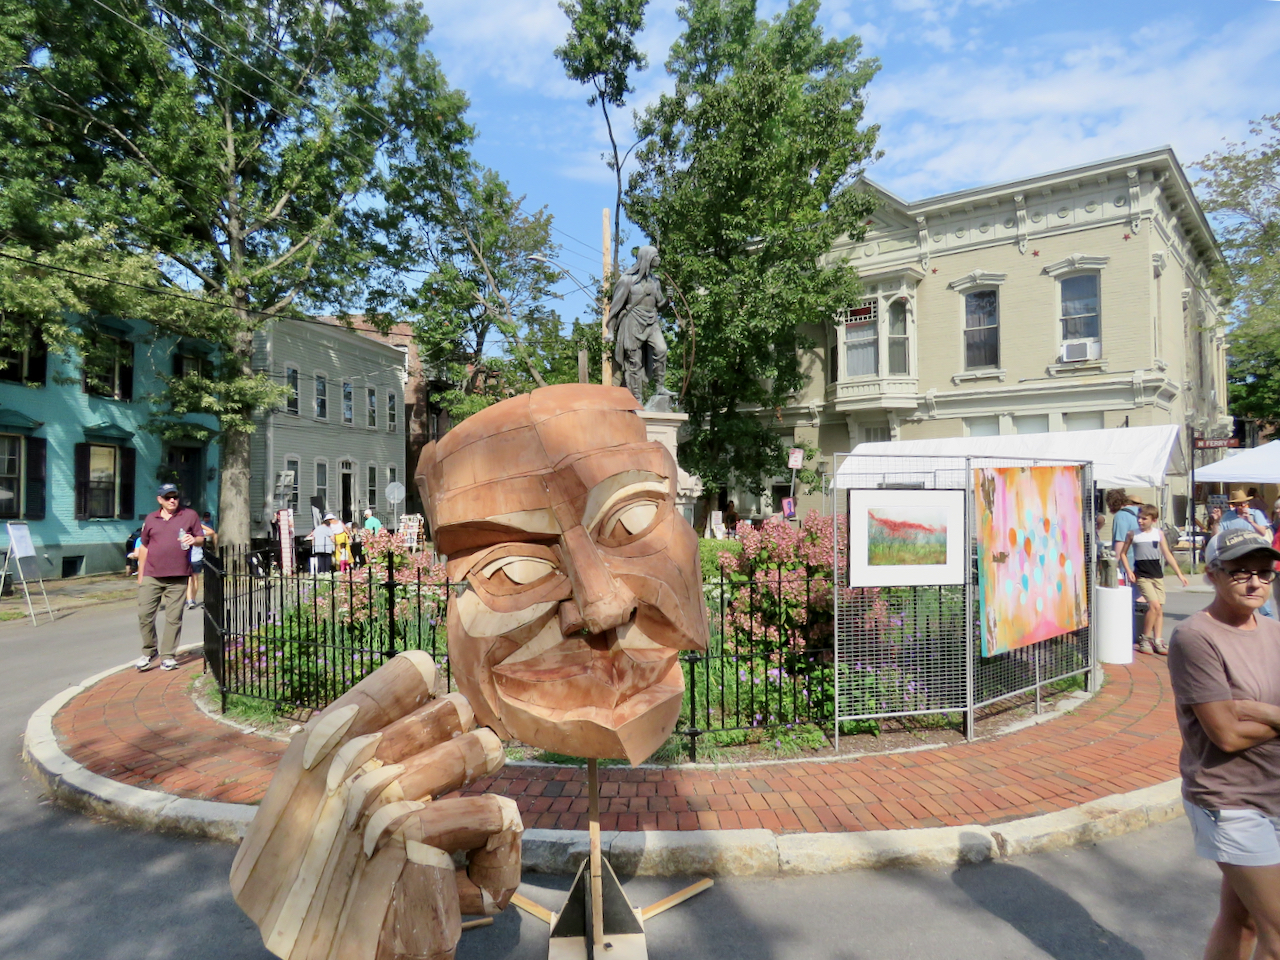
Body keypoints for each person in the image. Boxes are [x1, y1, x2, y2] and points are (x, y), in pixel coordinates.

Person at [1168, 529, 1280, 960]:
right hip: (1230, 800)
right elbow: (1227, 734)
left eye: (1264, 572)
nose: (1255, 583)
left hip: (1273, 790)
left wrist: (1257, 711)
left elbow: (1240, 720)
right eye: (1240, 572)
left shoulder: (1274, 632)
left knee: (1244, 919)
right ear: (1212, 574)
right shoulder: (1196, 637)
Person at [134, 483, 205, 672]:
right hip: (152, 575)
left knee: (174, 618)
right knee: (144, 615)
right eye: (167, 497)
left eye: (175, 497)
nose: (172, 500)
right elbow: (144, 547)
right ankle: (150, 651)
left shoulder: (189, 515)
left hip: (178, 576)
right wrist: (141, 574)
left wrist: (194, 540)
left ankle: (167, 656)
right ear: (160, 500)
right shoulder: (151, 518)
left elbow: (201, 538)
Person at [1119, 504, 1188, 655]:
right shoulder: (1133, 534)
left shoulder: (1158, 534)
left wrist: (1179, 574)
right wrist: (1129, 571)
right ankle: (1145, 638)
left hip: (1157, 575)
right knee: (1154, 605)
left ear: (1153, 520)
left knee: (1159, 608)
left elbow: (1167, 554)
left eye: (1144, 519)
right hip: (1142, 575)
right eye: (1139, 518)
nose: (1140, 521)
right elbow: (1123, 553)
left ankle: (1158, 639)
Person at [607, 246, 672, 404]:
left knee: (661, 349)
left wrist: (668, 300)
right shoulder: (627, 280)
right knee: (634, 362)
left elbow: (659, 305)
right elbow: (615, 307)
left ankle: (660, 387)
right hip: (633, 322)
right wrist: (610, 331)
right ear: (647, 258)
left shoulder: (655, 281)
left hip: (652, 320)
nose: (659, 259)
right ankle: (636, 399)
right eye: (656, 256)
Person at [1107, 489, 1143, 584]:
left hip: (1128, 564)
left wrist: (1114, 563)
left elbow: (1120, 541)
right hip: (1143, 562)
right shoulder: (1141, 513)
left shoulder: (1121, 516)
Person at [186, 511, 217, 609]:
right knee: (193, 579)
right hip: (193, 558)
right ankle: (191, 599)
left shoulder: (190, 532)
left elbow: (212, 533)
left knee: (191, 580)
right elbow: (211, 532)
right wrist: (200, 525)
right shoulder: (198, 532)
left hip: (192, 558)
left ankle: (190, 600)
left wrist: (199, 525)